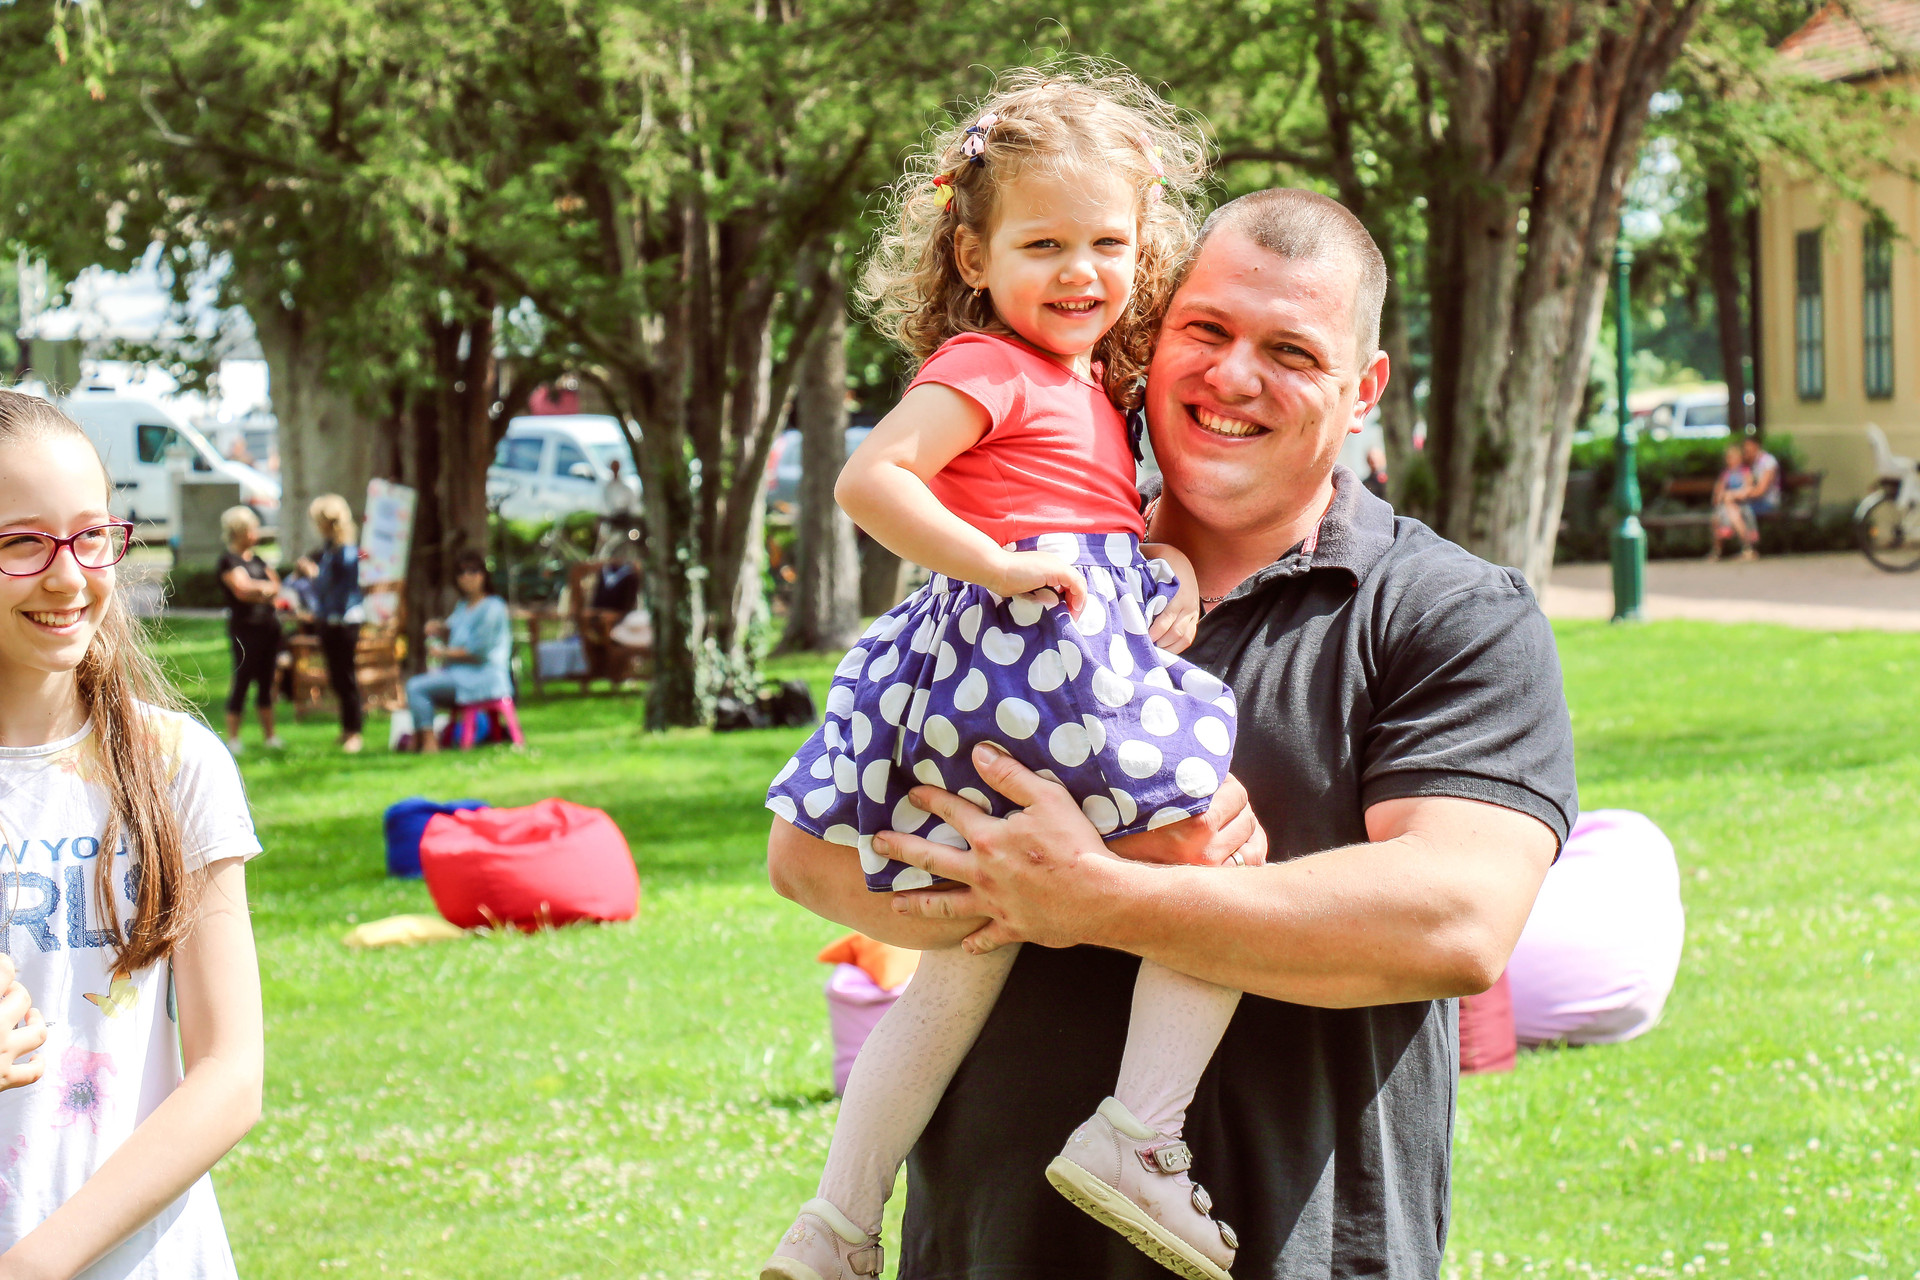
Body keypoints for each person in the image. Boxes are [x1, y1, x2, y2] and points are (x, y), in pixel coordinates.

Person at [768, 187, 1577, 1279]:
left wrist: (1090, 897)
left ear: (1363, 390)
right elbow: (807, 858)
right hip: (988, 1252)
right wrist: (1039, 889)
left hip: (1296, 1254)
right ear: (1149, 339)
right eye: (1207, 330)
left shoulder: (1448, 612)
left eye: (1291, 351)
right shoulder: (1018, 576)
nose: (1234, 377)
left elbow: (1453, 922)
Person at [761, 70, 1248, 1280]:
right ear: (973, 256)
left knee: (964, 955)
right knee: (1215, 865)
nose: (1081, 271)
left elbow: (1097, 527)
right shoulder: (988, 363)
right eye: (1044, 245)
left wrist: (1167, 564)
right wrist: (998, 562)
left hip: (1018, 671)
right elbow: (872, 479)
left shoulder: (1086, 386)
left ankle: (834, 1223)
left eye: (1108, 243)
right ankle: (1140, 1132)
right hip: (1033, 665)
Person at [0, 388, 264, 1278]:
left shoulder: (175, 765)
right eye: (22, 542)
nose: (68, 576)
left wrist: (34, 1265)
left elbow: (230, 1074)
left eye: (90, 536)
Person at [402, 550, 513, 753]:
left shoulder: (493, 607)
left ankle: (428, 742)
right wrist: (438, 628)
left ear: (483, 575)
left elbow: (478, 652)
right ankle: (420, 738)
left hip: (482, 678)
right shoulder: (463, 605)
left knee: (416, 687)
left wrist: (443, 653)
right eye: (461, 572)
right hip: (458, 674)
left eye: (473, 571)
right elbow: (452, 627)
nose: (467, 577)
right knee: (418, 684)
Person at [295, 494, 365, 754]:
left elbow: (340, 588)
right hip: (329, 621)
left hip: (343, 622)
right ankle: (346, 729)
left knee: (346, 677)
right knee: (337, 677)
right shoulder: (330, 550)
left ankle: (355, 732)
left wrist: (314, 575)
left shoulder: (345, 552)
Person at [216, 505, 284, 753]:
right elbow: (241, 590)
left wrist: (261, 590)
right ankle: (234, 738)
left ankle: (270, 736)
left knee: (267, 681)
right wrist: (264, 590)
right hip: (245, 630)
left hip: (269, 628)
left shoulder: (257, 559)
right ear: (240, 531)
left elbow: (276, 585)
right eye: (252, 528)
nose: (256, 533)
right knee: (243, 679)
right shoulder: (228, 560)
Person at [1737, 436, 1781, 559]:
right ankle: (1747, 549)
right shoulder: (1752, 463)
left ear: (1756, 446)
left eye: (1747, 447)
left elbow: (1761, 491)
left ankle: (1749, 548)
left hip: (1769, 503)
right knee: (1730, 509)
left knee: (1740, 510)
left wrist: (1738, 495)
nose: (1745, 450)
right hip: (1754, 502)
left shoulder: (1768, 462)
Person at [1708, 443, 1753, 562]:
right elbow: (1718, 492)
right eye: (1730, 458)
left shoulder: (1745, 472)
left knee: (1735, 516)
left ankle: (1747, 547)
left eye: (1735, 458)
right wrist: (1722, 497)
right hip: (1726, 506)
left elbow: (1747, 489)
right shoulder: (1726, 474)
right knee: (1716, 518)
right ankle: (1717, 550)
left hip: (1740, 505)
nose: (1732, 461)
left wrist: (1732, 496)